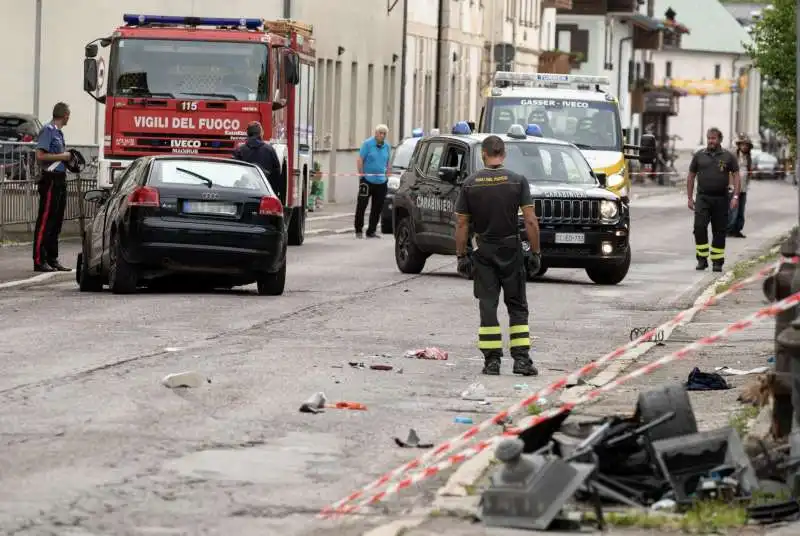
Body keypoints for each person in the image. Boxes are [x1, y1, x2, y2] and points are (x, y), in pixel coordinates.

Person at [454, 135, 541, 377]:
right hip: (511, 251)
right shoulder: (517, 181)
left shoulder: (471, 184)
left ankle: (492, 362)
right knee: (517, 307)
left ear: (483, 154)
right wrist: (535, 252)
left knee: (488, 306)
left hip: (484, 252)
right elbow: (531, 220)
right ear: (504, 154)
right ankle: (521, 360)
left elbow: (461, 223)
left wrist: (461, 255)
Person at [686, 127, 740, 273]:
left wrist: (735, 196)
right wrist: (690, 198)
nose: (711, 141)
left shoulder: (728, 157)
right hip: (703, 198)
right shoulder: (699, 156)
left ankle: (717, 262)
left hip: (721, 199)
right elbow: (691, 176)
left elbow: (736, 175)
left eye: (713, 138)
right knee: (699, 227)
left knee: (719, 231)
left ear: (719, 140)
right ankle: (702, 259)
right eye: (709, 138)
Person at [32, 102, 73, 273]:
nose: (69, 117)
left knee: (56, 221)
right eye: (68, 114)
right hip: (50, 179)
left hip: (60, 179)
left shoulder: (59, 133)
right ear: (64, 115)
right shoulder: (48, 130)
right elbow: (40, 155)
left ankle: (52, 258)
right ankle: (39, 259)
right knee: (46, 220)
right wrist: (63, 156)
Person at [355, 124, 391, 238]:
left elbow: (388, 162)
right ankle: (358, 230)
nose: (382, 135)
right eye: (380, 133)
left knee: (377, 208)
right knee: (362, 205)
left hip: (381, 182)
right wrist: (362, 175)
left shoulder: (387, 146)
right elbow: (360, 159)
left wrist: (387, 175)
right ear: (375, 134)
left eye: (384, 133)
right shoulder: (367, 144)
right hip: (367, 180)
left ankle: (371, 231)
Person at [232, 121, 282, 199]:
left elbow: (233, 172)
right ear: (260, 134)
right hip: (265, 192)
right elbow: (276, 173)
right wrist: (274, 192)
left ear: (248, 134)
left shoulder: (239, 150)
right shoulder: (270, 150)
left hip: (243, 192)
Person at [728, 133, 752, 238]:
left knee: (741, 211)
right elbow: (728, 171)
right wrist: (730, 185)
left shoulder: (748, 157)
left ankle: (737, 230)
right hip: (734, 187)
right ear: (739, 145)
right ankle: (729, 230)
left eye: (746, 145)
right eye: (743, 145)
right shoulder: (734, 156)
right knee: (733, 210)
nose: (744, 147)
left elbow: (749, 171)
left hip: (743, 188)